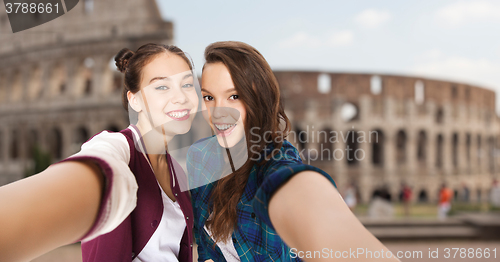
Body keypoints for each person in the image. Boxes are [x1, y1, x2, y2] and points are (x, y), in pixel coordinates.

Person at [188, 41, 399, 261]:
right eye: (209, 97)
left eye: (234, 96)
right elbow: (204, 247)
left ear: (258, 99)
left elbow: (293, 184)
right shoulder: (200, 157)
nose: (218, 113)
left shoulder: (275, 161)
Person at [0, 43, 198, 262]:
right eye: (162, 86)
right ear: (135, 100)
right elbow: (98, 169)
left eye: (187, 84)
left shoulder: (177, 171)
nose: (181, 97)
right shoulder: (115, 147)